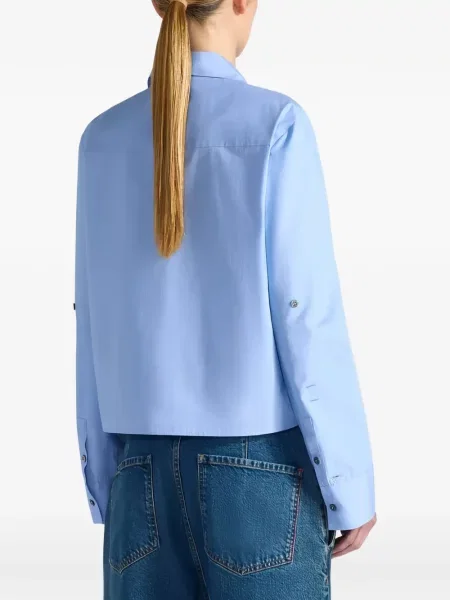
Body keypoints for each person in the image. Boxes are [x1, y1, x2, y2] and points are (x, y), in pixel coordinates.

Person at [74, 0, 376, 598]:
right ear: (241, 3)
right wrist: (349, 481)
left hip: (139, 473)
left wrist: (106, 480)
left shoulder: (101, 139)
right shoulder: (275, 124)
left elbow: (90, 320)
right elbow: (304, 313)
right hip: (260, 473)